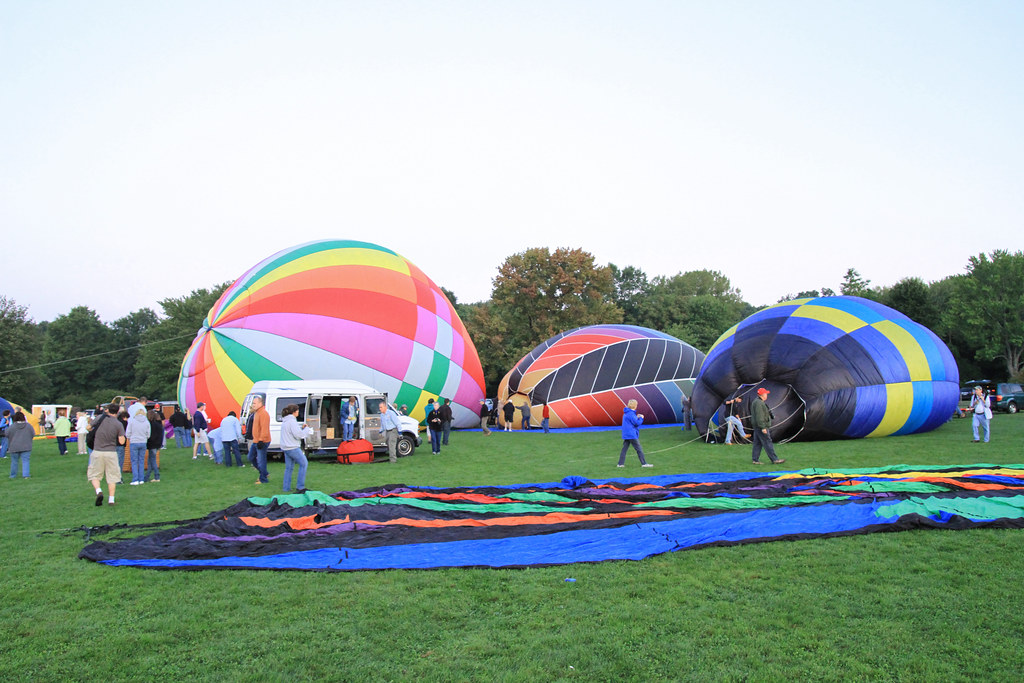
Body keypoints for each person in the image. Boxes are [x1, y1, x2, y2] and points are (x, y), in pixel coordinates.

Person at [88, 404, 125, 506]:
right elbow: (121, 441)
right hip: (111, 452)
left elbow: (88, 427)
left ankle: (98, 491)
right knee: (112, 476)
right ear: (117, 412)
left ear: (108, 410)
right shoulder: (118, 424)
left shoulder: (100, 418)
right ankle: (111, 499)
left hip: (97, 451)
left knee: (94, 474)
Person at [279, 404, 313, 493]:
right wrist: (307, 429)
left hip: (286, 447)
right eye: (297, 411)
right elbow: (299, 435)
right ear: (294, 412)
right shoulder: (292, 421)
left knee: (289, 468)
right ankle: (300, 486)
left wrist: (301, 428)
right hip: (293, 447)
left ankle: (286, 487)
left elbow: (292, 432)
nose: (298, 412)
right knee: (304, 464)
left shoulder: (286, 420)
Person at [750, 388, 785, 465]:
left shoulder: (757, 401)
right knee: (767, 442)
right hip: (761, 426)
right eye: (765, 394)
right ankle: (774, 459)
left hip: (757, 426)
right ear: (762, 395)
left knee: (757, 443)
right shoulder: (759, 403)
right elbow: (759, 416)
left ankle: (755, 460)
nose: (767, 395)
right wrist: (763, 427)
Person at [618, 399, 651, 467]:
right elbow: (637, 423)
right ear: (635, 405)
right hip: (631, 434)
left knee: (624, 449)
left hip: (627, 434)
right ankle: (644, 463)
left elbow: (631, 421)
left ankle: (620, 464)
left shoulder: (627, 413)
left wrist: (637, 417)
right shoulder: (631, 413)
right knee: (639, 449)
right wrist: (641, 418)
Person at [125, 405, 150, 485]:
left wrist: (130, 438)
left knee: (134, 461)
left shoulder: (132, 421)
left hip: (134, 442)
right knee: (141, 461)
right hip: (143, 442)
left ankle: (135, 479)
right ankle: (141, 479)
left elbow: (128, 432)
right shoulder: (146, 422)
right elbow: (148, 434)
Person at [249, 396, 271, 485]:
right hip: (256, 440)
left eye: (254, 403)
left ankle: (263, 479)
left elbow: (264, 428)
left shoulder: (263, 413)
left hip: (262, 441)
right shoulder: (257, 413)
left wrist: (261, 440)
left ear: (260, 403)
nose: (253, 405)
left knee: (261, 461)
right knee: (250, 457)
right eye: (253, 403)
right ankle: (264, 473)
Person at [7, 411, 35, 479]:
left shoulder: (12, 426)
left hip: (14, 446)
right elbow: (33, 434)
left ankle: (13, 475)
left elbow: (7, 434)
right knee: (25, 461)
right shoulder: (28, 426)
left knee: (14, 461)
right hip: (26, 446)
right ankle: (26, 475)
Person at [145, 409, 163, 482]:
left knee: (152, 461)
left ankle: (157, 476)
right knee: (150, 461)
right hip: (158, 444)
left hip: (152, 444)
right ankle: (147, 477)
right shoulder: (159, 424)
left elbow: (151, 436)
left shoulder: (150, 425)